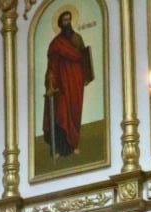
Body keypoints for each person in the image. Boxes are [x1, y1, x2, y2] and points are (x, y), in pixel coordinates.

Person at [43, 9, 94, 157]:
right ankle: (59, 149)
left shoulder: (77, 38)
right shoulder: (55, 44)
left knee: (74, 112)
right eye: (65, 20)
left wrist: (86, 75)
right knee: (61, 114)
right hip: (61, 85)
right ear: (60, 23)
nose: (68, 23)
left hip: (75, 83)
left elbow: (83, 57)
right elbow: (51, 66)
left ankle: (73, 145)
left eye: (69, 19)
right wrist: (50, 81)